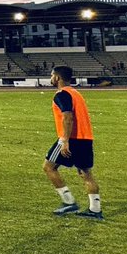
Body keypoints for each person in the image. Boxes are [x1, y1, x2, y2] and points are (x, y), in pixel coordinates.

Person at [43, 65, 103, 220]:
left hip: (72, 138)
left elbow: (68, 117)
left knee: (49, 167)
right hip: (86, 138)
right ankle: (95, 210)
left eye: (51, 75)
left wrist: (65, 140)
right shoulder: (76, 93)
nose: (51, 78)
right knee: (86, 173)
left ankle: (68, 202)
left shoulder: (62, 94)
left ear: (57, 77)